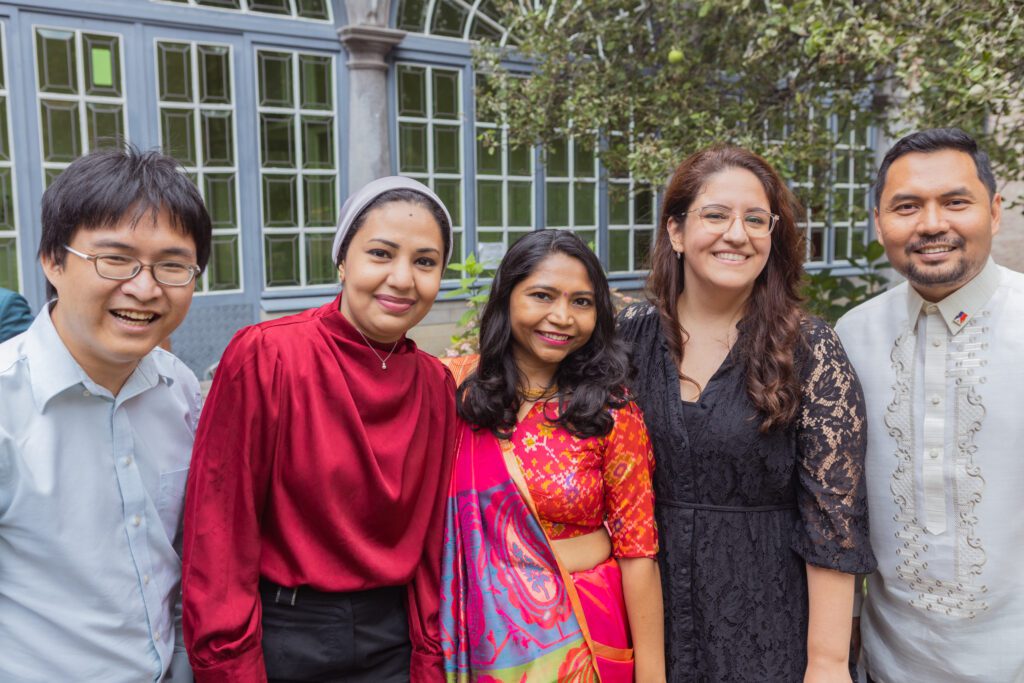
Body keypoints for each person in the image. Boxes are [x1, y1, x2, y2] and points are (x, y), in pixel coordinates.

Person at [182, 176, 458, 682]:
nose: (402, 278)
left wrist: (429, 658)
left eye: (424, 262)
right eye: (380, 253)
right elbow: (220, 530)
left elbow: (434, 546)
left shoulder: (435, 385)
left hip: (392, 640)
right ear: (342, 260)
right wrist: (230, 669)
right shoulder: (268, 356)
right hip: (285, 636)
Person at [617, 145, 876, 682]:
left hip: (767, 623)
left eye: (756, 220)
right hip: (643, 621)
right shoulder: (626, 338)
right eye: (715, 215)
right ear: (676, 232)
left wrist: (826, 664)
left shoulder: (809, 350)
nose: (737, 233)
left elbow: (832, 521)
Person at [0, 146, 211, 681]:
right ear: (53, 259)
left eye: (173, 265)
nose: (145, 287)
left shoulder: (179, 388)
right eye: (115, 259)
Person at [836, 128, 1023, 682]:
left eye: (956, 202)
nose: (932, 223)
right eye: (907, 206)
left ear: (993, 211)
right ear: (878, 222)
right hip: (888, 665)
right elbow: (836, 508)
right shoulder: (852, 336)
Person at [441, 229, 665, 682]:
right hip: (475, 635)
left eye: (582, 302)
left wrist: (652, 676)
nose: (562, 317)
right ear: (506, 298)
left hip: (581, 636)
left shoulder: (611, 411)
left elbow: (637, 551)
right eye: (542, 295)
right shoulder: (453, 390)